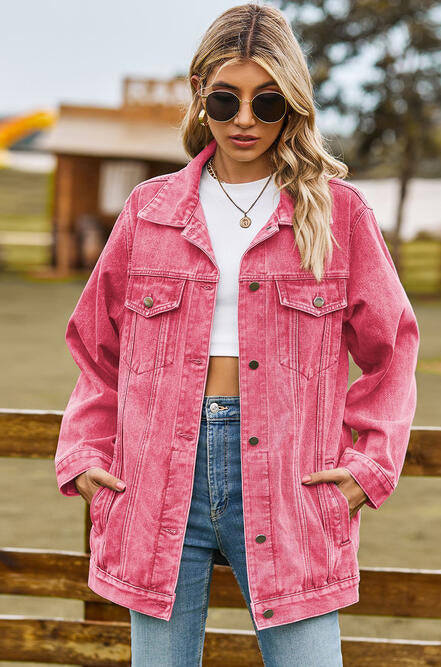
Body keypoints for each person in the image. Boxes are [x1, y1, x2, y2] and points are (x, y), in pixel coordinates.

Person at [54, 3, 420, 665]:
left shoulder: (339, 214)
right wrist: (83, 449)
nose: (244, 119)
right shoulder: (150, 211)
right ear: (201, 97)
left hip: (292, 478)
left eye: (267, 101)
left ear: (293, 105)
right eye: (225, 100)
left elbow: (393, 349)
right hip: (158, 474)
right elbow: (95, 346)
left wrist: (370, 468)